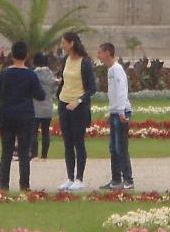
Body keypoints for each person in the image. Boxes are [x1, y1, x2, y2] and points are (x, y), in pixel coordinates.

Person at [0, 40, 40, 192]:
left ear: (12, 55)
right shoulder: (30, 75)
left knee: (6, 152)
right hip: (25, 116)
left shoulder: (4, 74)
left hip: (6, 116)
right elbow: (40, 94)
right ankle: (24, 185)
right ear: (26, 56)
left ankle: (3, 185)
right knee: (24, 153)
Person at [54, 31, 97, 192]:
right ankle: (70, 177)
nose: (62, 45)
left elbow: (92, 88)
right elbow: (66, 80)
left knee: (78, 142)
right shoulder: (66, 60)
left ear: (71, 43)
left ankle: (79, 178)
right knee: (67, 143)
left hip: (78, 107)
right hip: (64, 103)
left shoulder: (85, 62)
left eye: (64, 42)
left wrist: (78, 101)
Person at [100, 42, 134, 191]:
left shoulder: (117, 69)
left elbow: (121, 91)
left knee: (121, 147)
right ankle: (115, 179)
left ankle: (128, 179)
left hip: (122, 112)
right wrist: (112, 111)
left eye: (100, 52)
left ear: (107, 53)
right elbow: (113, 94)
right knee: (113, 148)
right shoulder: (111, 70)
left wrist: (120, 111)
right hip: (115, 112)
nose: (99, 56)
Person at [30, 50, 57, 161]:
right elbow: (53, 90)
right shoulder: (51, 75)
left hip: (35, 107)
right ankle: (44, 155)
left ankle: (35, 154)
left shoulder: (33, 74)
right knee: (46, 132)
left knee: (33, 132)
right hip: (48, 107)